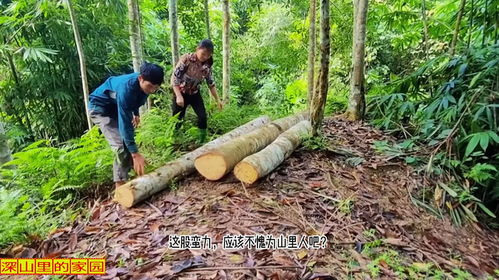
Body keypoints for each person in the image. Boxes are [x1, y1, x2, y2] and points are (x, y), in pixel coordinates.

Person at [88, 62, 165, 188]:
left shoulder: (144, 83)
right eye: (150, 86)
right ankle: (120, 186)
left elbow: (136, 100)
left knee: (127, 141)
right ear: (140, 78)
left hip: (115, 106)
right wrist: (135, 154)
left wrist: (136, 113)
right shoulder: (127, 89)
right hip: (100, 109)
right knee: (120, 144)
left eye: (155, 88)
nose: (152, 90)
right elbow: (125, 125)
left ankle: (133, 176)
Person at [171, 39, 223, 143]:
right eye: (203, 54)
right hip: (181, 91)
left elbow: (211, 83)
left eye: (208, 55)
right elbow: (174, 78)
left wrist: (218, 100)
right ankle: (173, 141)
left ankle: (202, 141)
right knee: (177, 119)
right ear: (197, 49)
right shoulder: (186, 59)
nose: (205, 57)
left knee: (203, 116)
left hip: (194, 93)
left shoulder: (207, 65)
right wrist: (178, 96)